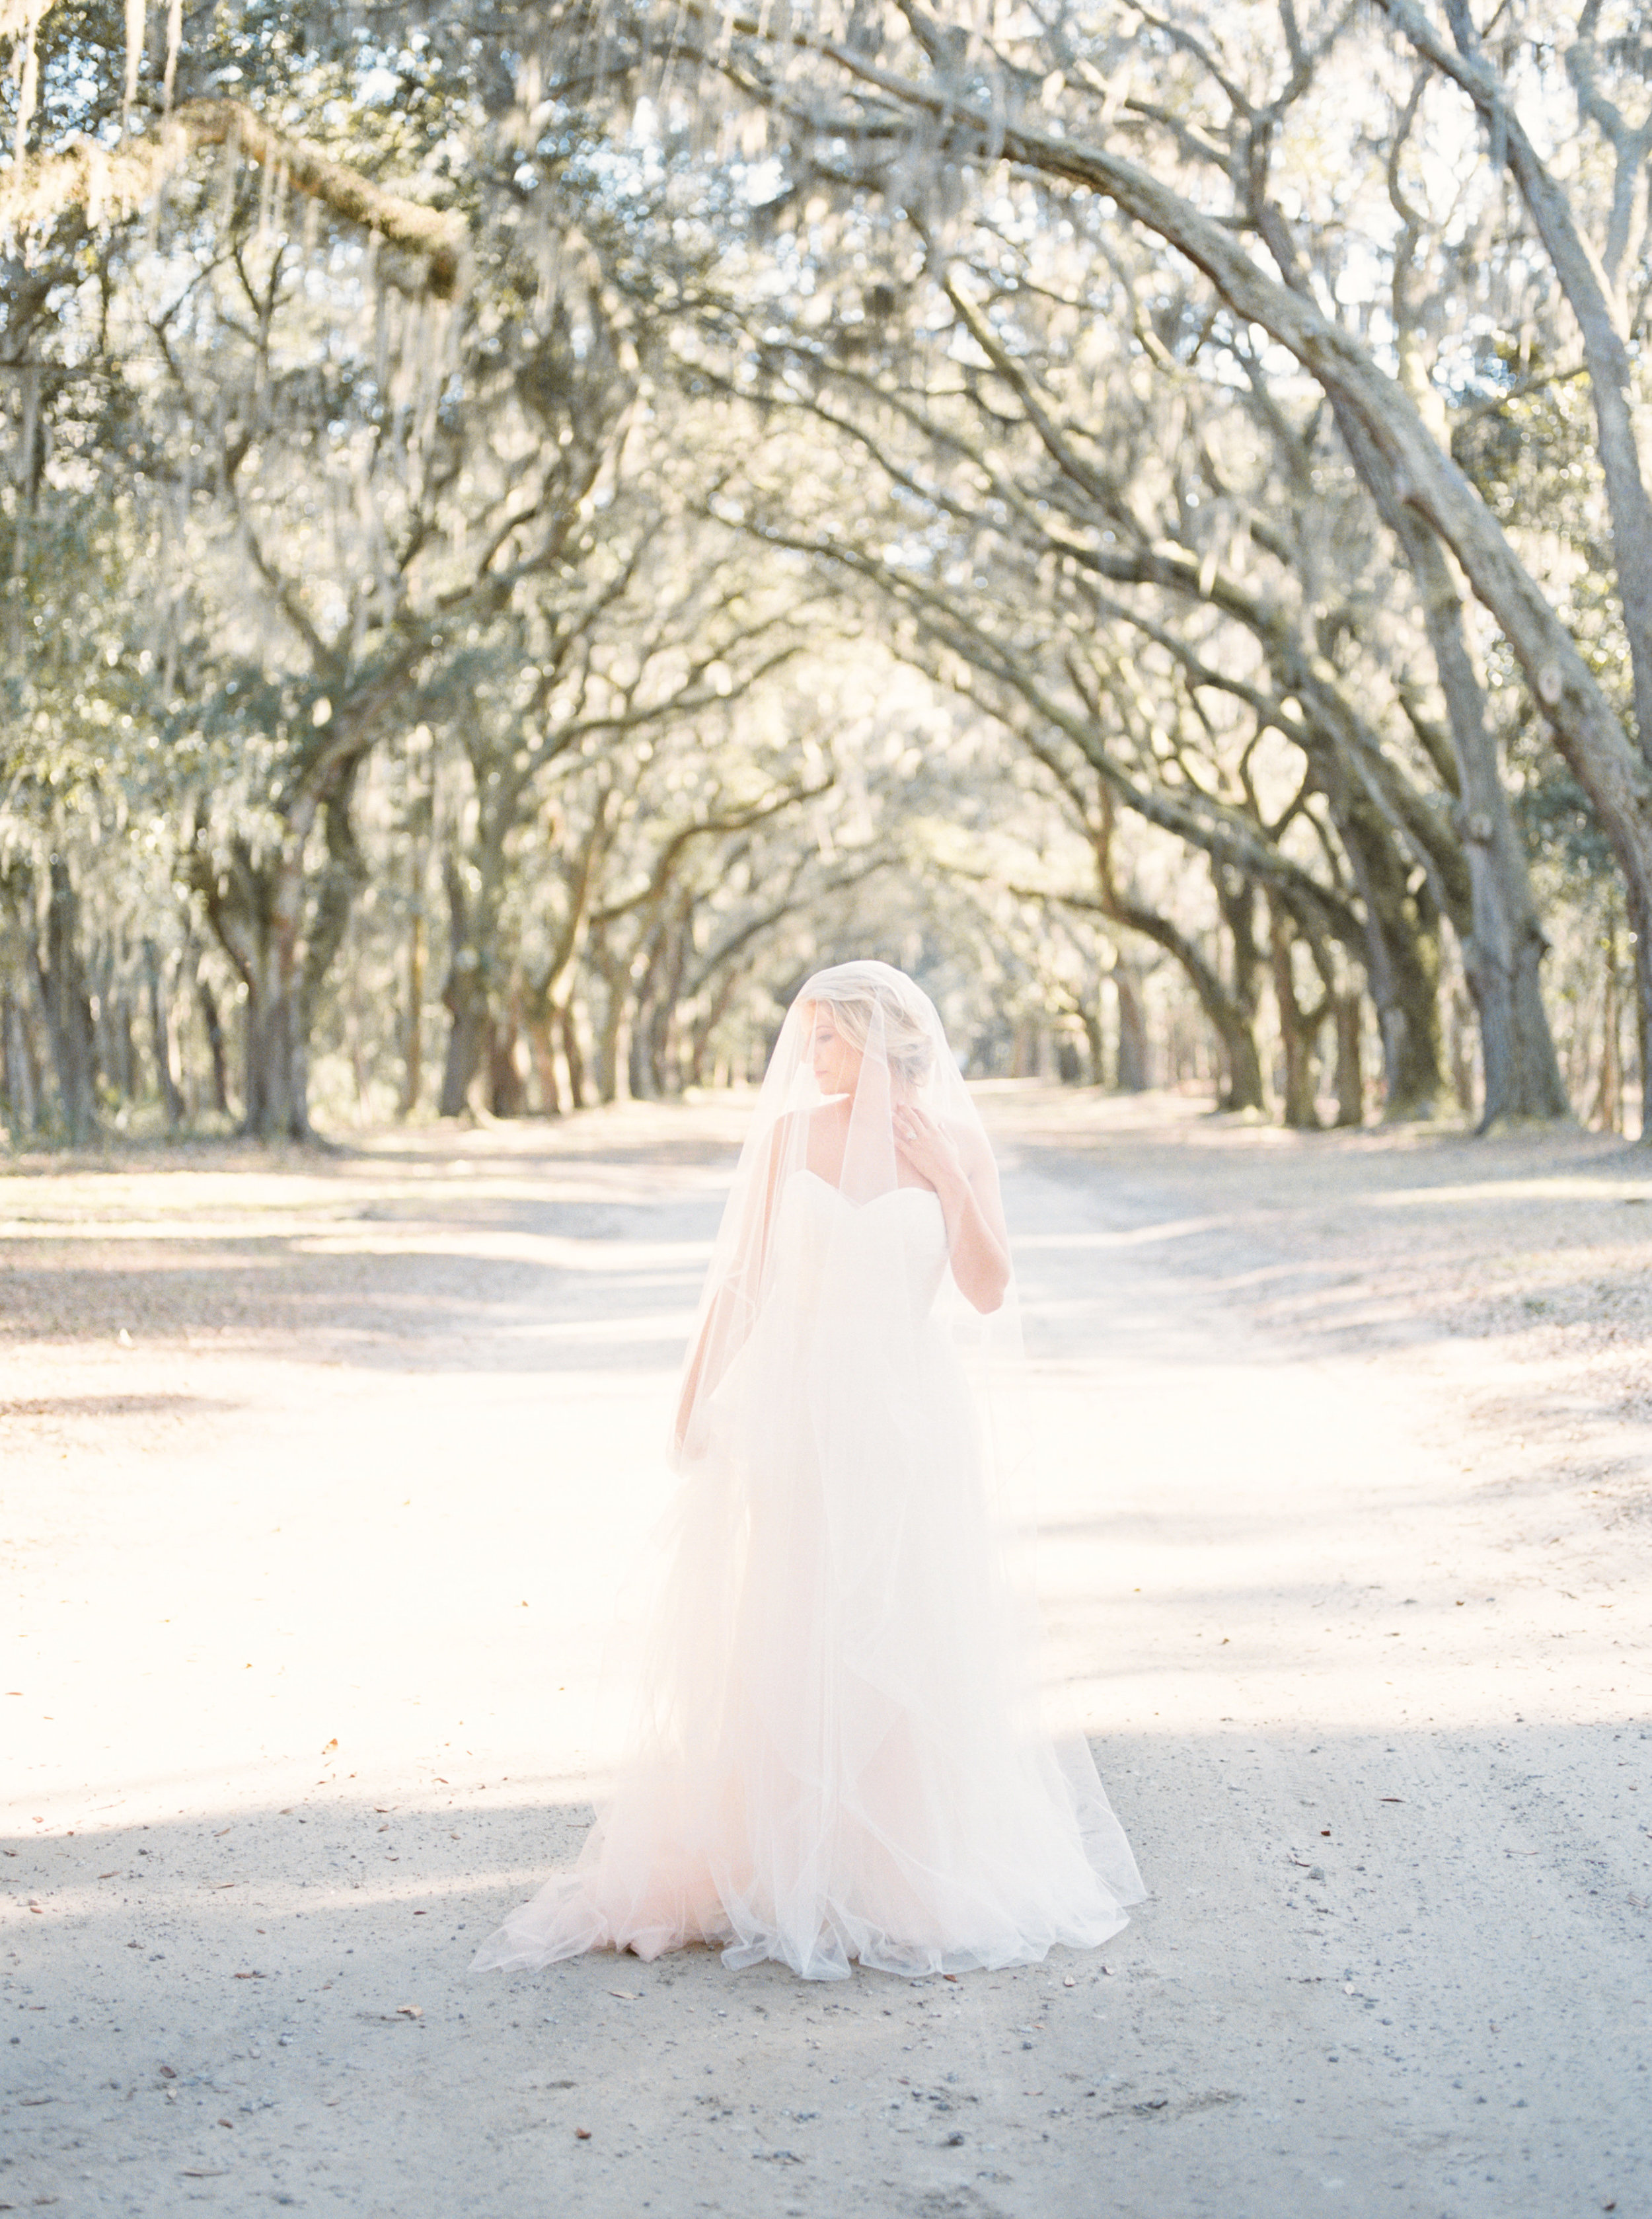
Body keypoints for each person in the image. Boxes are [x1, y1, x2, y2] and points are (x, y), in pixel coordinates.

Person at [473, 959, 1144, 1982]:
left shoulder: (957, 1140)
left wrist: (951, 1180)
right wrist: (694, 1405)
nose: (808, 1057)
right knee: (794, 1617)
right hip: (797, 1411)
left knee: (902, 1624)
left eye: (826, 1038)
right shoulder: (791, 1139)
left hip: (911, 1419)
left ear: (876, 1039)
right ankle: (781, 1857)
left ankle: (891, 1868)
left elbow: (989, 1289)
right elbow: (738, 1286)